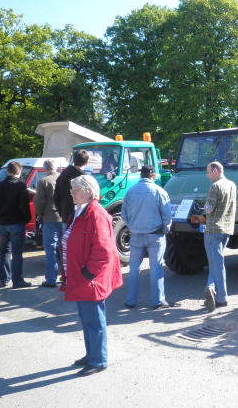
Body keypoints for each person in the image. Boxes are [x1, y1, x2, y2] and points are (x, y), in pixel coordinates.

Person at [61, 174, 122, 376]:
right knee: (87, 319)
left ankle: (98, 360)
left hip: (89, 278)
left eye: (75, 190)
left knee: (94, 320)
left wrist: (89, 273)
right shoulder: (82, 210)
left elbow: (104, 250)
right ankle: (92, 355)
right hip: (81, 276)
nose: (71, 193)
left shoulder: (96, 213)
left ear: (88, 192)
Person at [122, 165, 173, 310]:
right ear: (153, 176)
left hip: (136, 234)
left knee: (133, 268)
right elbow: (167, 215)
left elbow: (124, 214)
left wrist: (132, 226)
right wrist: (165, 229)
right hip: (155, 235)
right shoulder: (159, 191)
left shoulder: (130, 192)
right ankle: (157, 301)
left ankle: (130, 301)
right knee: (156, 267)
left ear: (140, 175)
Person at [0, 161, 31, 288]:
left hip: (2, 223)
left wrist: (1, 215)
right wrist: (26, 219)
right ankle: (17, 280)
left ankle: (3, 279)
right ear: (19, 171)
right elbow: (24, 206)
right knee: (17, 253)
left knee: (4, 252)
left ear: (8, 171)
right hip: (17, 223)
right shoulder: (20, 186)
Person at [203, 161, 236, 312]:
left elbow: (209, 209)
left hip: (213, 231)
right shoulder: (232, 185)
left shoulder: (215, 187)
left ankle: (222, 298)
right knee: (216, 263)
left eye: (209, 172)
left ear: (215, 170)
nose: (207, 175)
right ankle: (210, 287)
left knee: (217, 264)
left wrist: (202, 206)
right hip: (226, 230)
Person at [33, 159, 63, 287]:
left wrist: (38, 215)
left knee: (50, 249)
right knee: (65, 249)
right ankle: (66, 277)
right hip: (64, 218)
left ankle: (51, 279)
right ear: (56, 168)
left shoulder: (43, 182)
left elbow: (39, 203)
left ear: (45, 169)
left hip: (50, 218)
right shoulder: (64, 180)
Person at [54, 149, 89, 226]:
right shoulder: (85, 179)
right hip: (80, 219)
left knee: (66, 238)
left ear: (73, 160)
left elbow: (56, 197)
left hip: (65, 216)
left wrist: (62, 213)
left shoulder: (62, 175)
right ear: (86, 163)